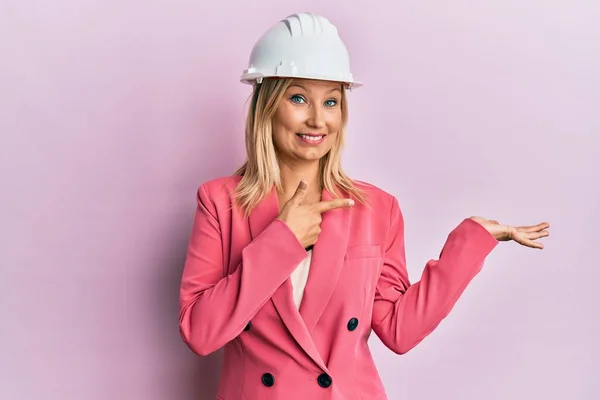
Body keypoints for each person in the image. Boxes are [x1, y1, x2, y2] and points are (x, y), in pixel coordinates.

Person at [178, 12, 550, 400]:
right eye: (299, 97)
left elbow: (399, 331)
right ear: (267, 105)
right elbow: (201, 333)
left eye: (331, 101)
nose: (317, 119)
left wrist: (468, 243)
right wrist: (283, 240)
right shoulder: (220, 202)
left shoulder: (376, 209)